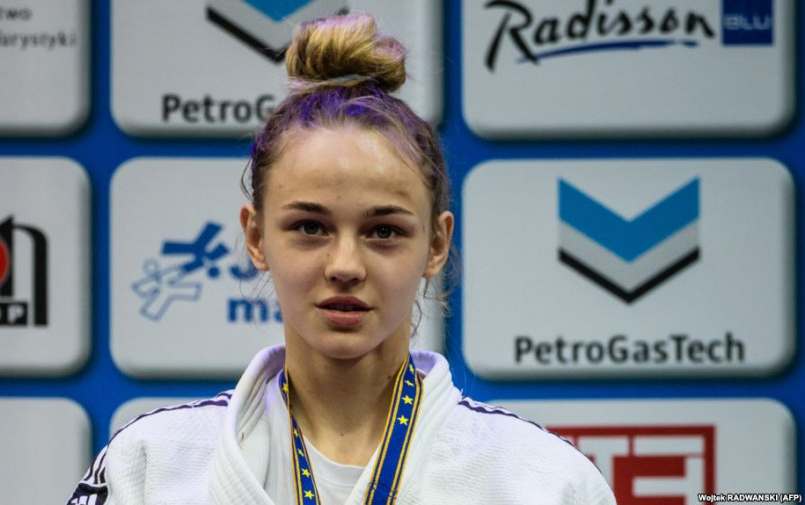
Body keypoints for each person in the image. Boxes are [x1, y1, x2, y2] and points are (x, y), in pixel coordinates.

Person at [66, 13, 616, 505]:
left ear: (436, 245)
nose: (345, 265)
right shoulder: (150, 465)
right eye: (310, 227)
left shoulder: (542, 481)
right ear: (255, 237)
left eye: (383, 231)